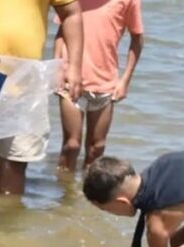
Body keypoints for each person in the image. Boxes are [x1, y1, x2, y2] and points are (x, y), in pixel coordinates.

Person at [0, 0, 84, 195]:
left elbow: (72, 13)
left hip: (24, 85)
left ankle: (5, 224)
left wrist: (74, 66)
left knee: (15, 162)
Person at [55, 0, 143, 172]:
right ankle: (65, 194)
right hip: (71, 79)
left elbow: (137, 39)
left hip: (105, 80)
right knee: (71, 145)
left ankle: (89, 194)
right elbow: (62, 29)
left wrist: (125, 80)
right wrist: (58, 66)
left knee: (97, 148)